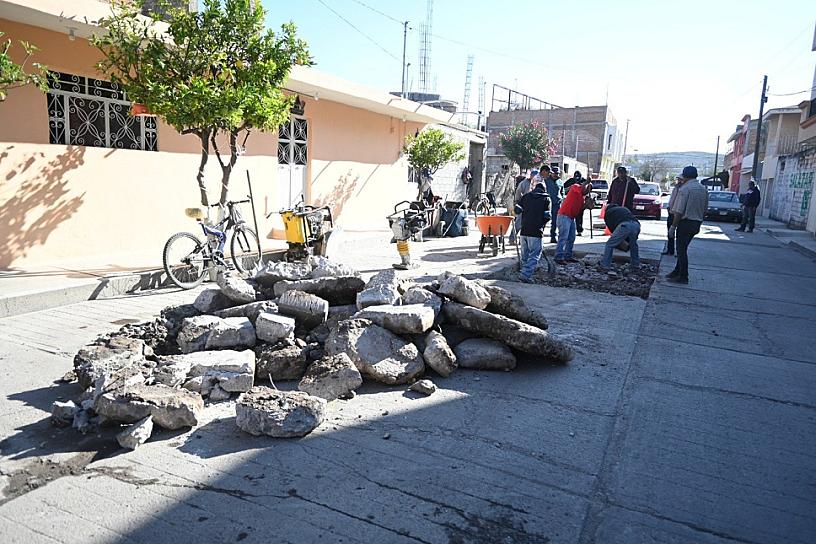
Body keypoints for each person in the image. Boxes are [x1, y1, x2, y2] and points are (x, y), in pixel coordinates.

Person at [667, 166, 709, 284]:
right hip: (696, 222)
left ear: (685, 176)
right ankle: (677, 270)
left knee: (681, 250)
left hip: (685, 222)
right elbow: (705, 209)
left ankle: (683, 276)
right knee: (683, 248)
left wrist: (673, 226)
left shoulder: (685, 189)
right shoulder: (703, 189)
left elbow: (679, 211)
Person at [514, 179, 551, 282]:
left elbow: (517, 210)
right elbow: (547, 216)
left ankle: (523, 272)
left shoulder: (526, 196)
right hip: (536, 232)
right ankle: (525, 275)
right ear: (544, 190)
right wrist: (541, 225)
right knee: (535, 255)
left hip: (524, 231)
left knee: (525, 256)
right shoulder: (546, 199)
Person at [555, 178, 593, 264]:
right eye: (587, 188)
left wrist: (587, 205)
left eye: (589, 190)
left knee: (571, 238)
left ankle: (568, 255)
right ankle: (558, 257)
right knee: (563, 237)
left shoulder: (582, 199)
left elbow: (580, 210)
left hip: (571, 218)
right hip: (564, 216)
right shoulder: (576, 187)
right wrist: (587, 182)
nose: (587, 191)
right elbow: (580, 188)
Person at [599, 204, 641, 269]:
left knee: (609, 244)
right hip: (636, 225)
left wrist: (619, 241)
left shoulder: (608, 212)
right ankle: (635, 264)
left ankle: (605, 265)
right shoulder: (624, 208)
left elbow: (611, 228)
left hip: (624, 225)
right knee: (633, 245)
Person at [510, 171, 535, 243]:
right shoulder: (524, 183)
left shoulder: (534, 184)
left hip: (531, 207)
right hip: (523, 206)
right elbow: (518, 193)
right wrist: (518, 203)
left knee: (527, 224)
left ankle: (523, 240)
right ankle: (512, 238)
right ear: (530, 175)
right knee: (518, 223)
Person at [662, 176, 684, 255]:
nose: (679, 181)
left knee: (680, 234)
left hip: (680, 214)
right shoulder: (675, 188)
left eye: (680, 180)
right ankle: (670, 250)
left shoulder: (685, 190)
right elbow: (672, 199)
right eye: (678, 180)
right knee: (670, 232)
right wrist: (669, 207)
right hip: (671, 213)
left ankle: (679, 252)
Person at [542, 165, 561, 243]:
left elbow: (562, 192)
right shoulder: (546, 181)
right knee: (544, 220)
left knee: (555, 222)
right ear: (551, 173)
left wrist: (561, 198)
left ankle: (553, 236)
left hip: (557, 204)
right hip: (547, 204)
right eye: (554, 173)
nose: (556, 175)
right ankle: (540, 236)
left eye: (557, 173)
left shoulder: (560, 181)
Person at [563, 171, 587, 236]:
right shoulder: (570, 181)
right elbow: (563, 188)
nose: (577, 178)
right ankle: (569, 230)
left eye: (578, 177)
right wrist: (569, 188)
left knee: (579, 217)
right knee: (569, 216)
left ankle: (579, 230)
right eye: (575, 177)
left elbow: (588, 188)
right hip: (571, 202)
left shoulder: (584, 181)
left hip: (580, 202)